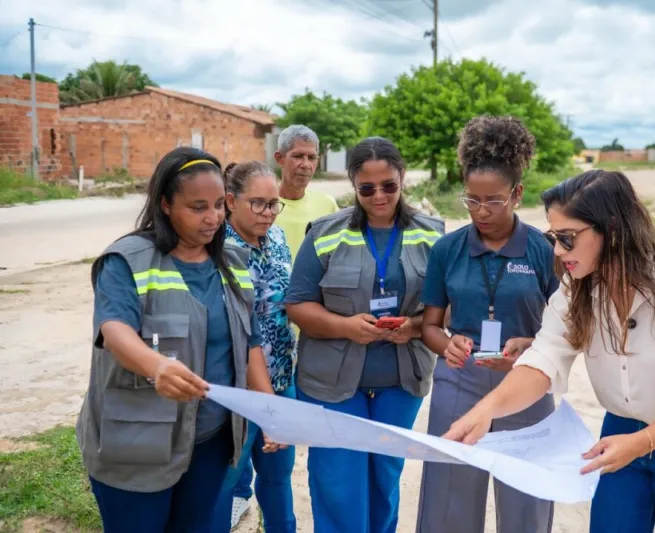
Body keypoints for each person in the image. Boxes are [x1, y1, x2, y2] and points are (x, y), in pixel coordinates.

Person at [443, 169, 655, 533]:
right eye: (554, 237)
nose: (557, 250)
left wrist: (642, 443)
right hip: (620, 431)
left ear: (612, 229)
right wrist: (486, 410)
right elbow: (543, 359)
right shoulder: (577, 289)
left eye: (567, 238)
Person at [75, 147, 279, 532]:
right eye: (198, 207)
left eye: (218, 206)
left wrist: (270, 410)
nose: (213, 217)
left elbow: (249, 342)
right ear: (166, 204)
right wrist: (158, 367)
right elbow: (114, 330)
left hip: (211, 442)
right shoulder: (128, 260)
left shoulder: (232, 262)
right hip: (137, 444)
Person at [285, 136, 445, 533]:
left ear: (402, 178)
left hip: (400, 385)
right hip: (331, 385)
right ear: (353, 184)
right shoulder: (325, 233)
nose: (379, 196)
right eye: (367, 188)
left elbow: (449, 304)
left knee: (384, 480)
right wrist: (345, 327)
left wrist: (414, 327)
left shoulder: (433, 234)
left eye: (389, 185)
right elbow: (298, 303)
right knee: (339, 484)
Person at [415, 116, 559, 533]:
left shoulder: (543, 250)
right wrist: (446, 345)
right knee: (449, 502)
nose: (481, 211)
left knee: (527, 503)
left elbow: (566, 328)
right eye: (472, 200)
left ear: (517, 194)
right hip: (459, 384)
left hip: (526, 384)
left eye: (494, 201)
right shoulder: (447, 250)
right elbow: (429, 326)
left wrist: (529, 346)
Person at [210, 161, 298, 532]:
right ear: (231, 201)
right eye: (258, 203)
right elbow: (240, 333)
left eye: (274, 204)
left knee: (278, 476)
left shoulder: (277, 238)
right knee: (224, 484)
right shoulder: (217, 248)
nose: (268, 213)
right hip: (237, 389)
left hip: (281, 378)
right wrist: (266, 406)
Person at [273, 124, 339, 260]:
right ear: (280, 158)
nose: (306, 165)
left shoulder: (327, 205)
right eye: (298, 156)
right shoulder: (261, 207)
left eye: (312, 157)